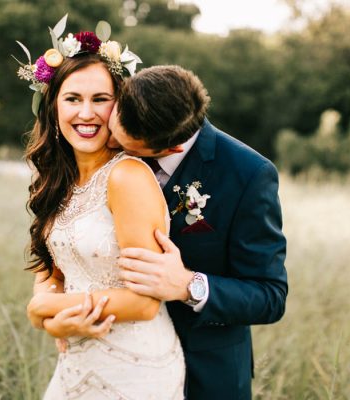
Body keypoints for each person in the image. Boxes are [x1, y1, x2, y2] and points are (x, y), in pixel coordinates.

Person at [20, 19, 184, 399]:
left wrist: (45, 311)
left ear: (119, 105)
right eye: (73, 99)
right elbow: (52, 269)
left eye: (100, 99)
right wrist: (50, 312)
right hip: (76, 361)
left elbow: (144, 302)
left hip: (135, 369)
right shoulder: (57, 179)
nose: (86, 113)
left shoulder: (127, 177)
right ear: (53, 106)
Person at [106, 65, 288, 399]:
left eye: (127, 146)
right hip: (116, 363)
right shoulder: (115, 134)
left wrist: (188, 285)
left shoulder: (249, 175)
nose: (109, 141)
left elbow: (270, 296)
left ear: (170, 148)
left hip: (203, 375)